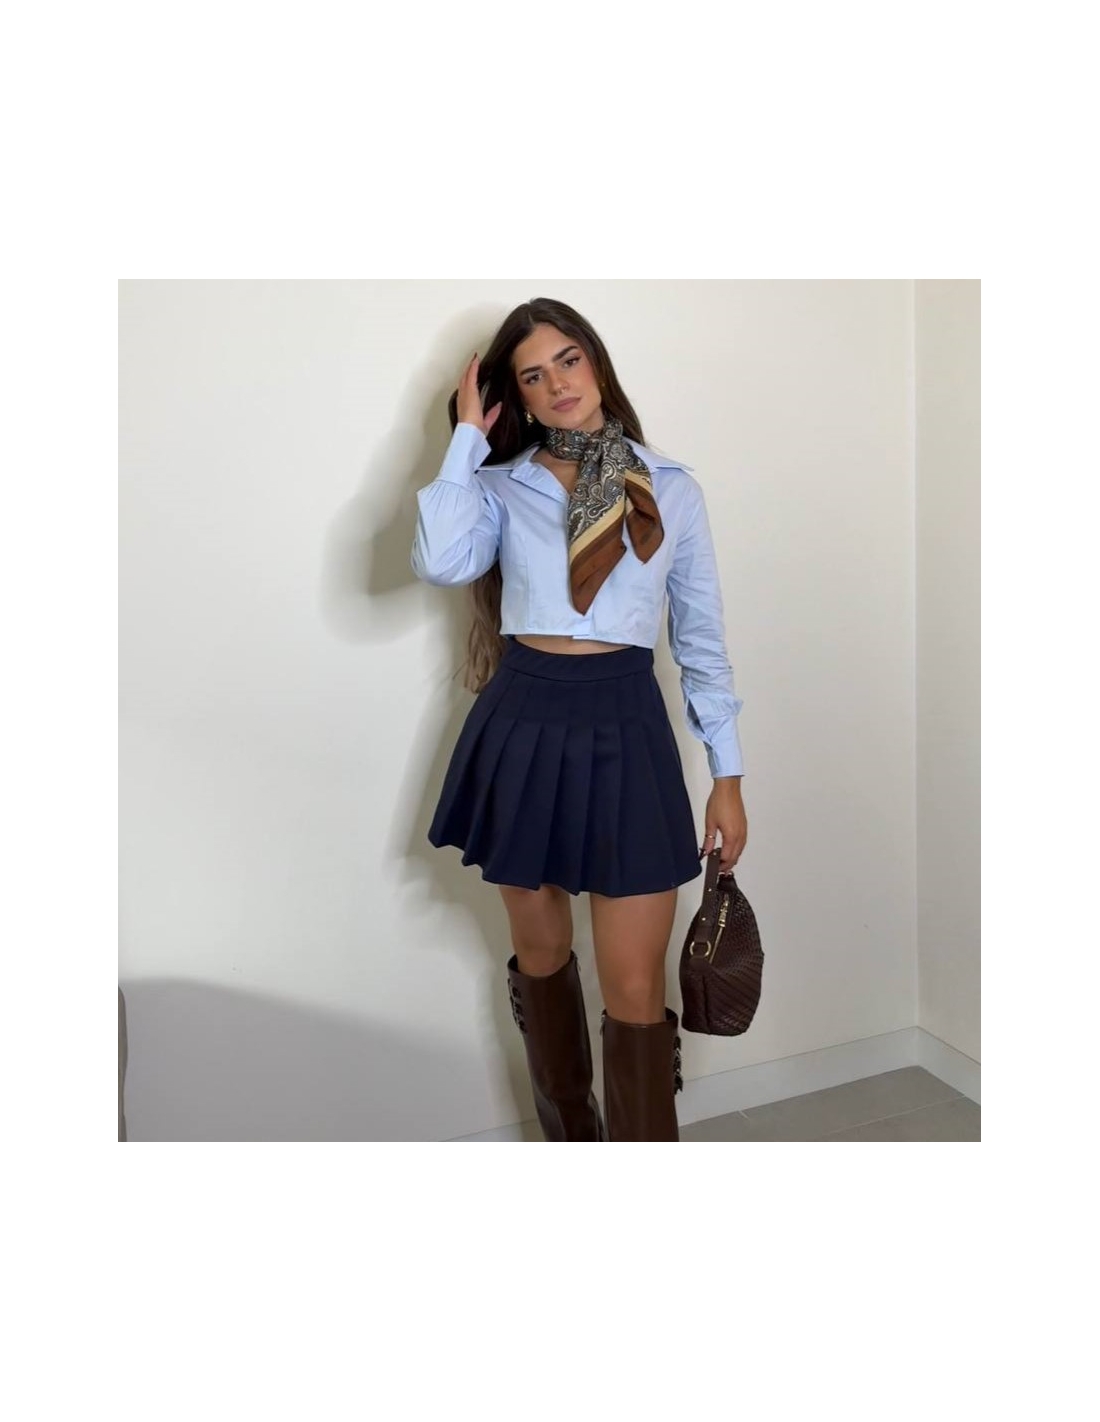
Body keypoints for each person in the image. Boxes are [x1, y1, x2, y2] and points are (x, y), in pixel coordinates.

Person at [410, 297, 747, 1142]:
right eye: (532, 375)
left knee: (636, 991)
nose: (558, 383)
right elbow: (440, 560)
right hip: (522, 725)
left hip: (628, 726)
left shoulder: (672, 489)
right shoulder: (498, 486)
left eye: (568, 359)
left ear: (595, 361)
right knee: (543, 960)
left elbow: (701, 641)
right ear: (515, 398)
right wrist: (466, 438)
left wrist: (728, 775)